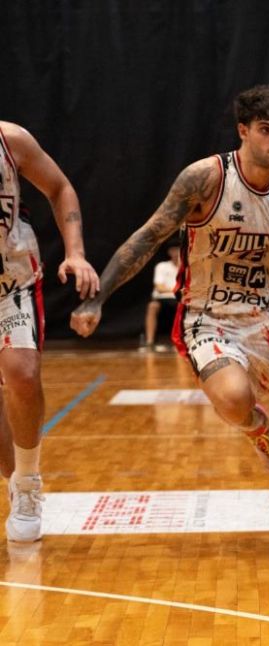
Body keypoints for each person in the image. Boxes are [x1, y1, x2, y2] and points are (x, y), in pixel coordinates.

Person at [70, 85, 269, 535]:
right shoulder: (206, 178)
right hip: (207, 315)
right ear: (243, 131)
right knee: (236, 398)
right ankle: (258, 429)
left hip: (266, 317)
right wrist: (98, 297)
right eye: (265, 129)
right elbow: (148, 236)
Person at [0, 121, 100, 542]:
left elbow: (60, 188)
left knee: (22, 373)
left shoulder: (10, 141)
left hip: (12, 279)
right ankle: (15, 480)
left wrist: (75, 252)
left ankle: (27, 485)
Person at [142, 242, 180, 351]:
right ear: (169, 252)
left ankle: (179, 342)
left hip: (179, 299)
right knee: (152, 306)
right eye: (173, 250)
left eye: (178, 250)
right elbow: (159, 287)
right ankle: (150, 342)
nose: (176, 253)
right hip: (162, 298)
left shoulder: (187, 267)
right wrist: (176, 290)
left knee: (182, 308)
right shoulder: (162, 266)